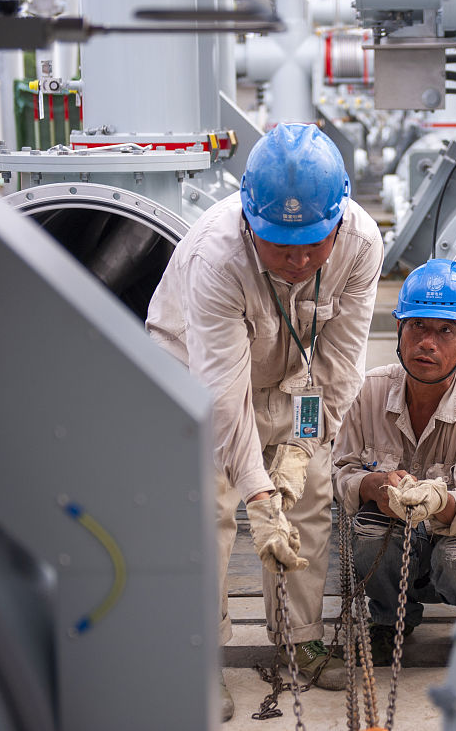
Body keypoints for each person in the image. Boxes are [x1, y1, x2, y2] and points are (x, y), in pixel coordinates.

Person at [147, 123, 383, 719]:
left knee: (306, 501)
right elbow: (222, 395)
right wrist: (256, 492)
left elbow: (341, 362)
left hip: (292, 376)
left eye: (314, 243)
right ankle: (197, 659)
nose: (300, 260)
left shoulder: (361, 243)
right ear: (250, 223)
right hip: (195, 372)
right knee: (210, 510)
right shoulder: (217, 257)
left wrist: (302, 452)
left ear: (338, 220)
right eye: (282, 245)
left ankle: (298, 641)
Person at [331, 259, 456, 667]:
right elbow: (340, 470)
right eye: (417, 326)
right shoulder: (370, 392)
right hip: (397, 538)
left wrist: (438, 501)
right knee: (367, 536)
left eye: (446, 330)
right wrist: (372, 486)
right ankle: (388, 621)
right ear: (399, 329)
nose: (427, 343)